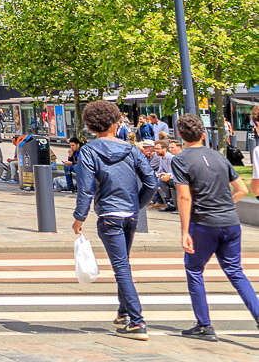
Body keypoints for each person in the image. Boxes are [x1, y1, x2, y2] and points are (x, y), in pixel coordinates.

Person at [73, 99, 159, 341]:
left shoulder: (89, 150)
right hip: (130, 215)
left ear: (91, 126)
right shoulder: (131, 149)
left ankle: (137, 321)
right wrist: (137, 205)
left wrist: (79, 218)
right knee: (124, 265)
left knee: (121, 267)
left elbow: (86, 189)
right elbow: (152, 181)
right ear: (115, 122)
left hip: (109, 215)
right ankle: (123, 314)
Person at [172, 113, 259, 341]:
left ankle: (204, 325)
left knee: (194, 270)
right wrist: (224, 205)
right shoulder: (220, 157)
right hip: (230, 222)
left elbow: (184, 197)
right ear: (203, 134)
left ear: (180, 136)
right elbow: (241, 189)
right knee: (235, 272)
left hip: (204, 223)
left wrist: (184, 231)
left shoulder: (180, 160)